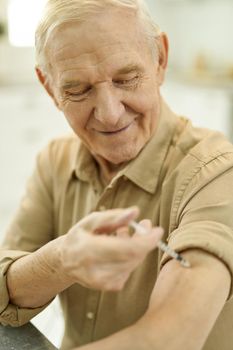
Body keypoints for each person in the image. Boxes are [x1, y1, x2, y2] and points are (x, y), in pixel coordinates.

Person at [1, 0, 233, 349]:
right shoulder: (56, 160)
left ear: (160, 60)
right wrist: (62, 259)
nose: (109, 115)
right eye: (77, 90)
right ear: (49, 88)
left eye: (126, 78)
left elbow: (170, 339)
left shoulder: (217, 174)